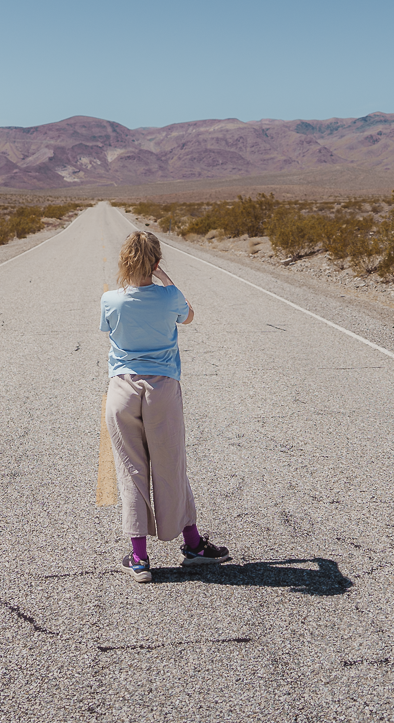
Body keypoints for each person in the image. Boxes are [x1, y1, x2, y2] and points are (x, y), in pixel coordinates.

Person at [100, 230, 230, 582]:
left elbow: (109, 330)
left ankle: (139, 558)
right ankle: (193, 545)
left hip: (122, 390)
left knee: (131, 469)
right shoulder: (169, 296)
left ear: (124, 261)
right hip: (161, 389)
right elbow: (188, 316)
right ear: (156, 262)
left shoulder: (110, 299)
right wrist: (166, 280)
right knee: (171, 466)